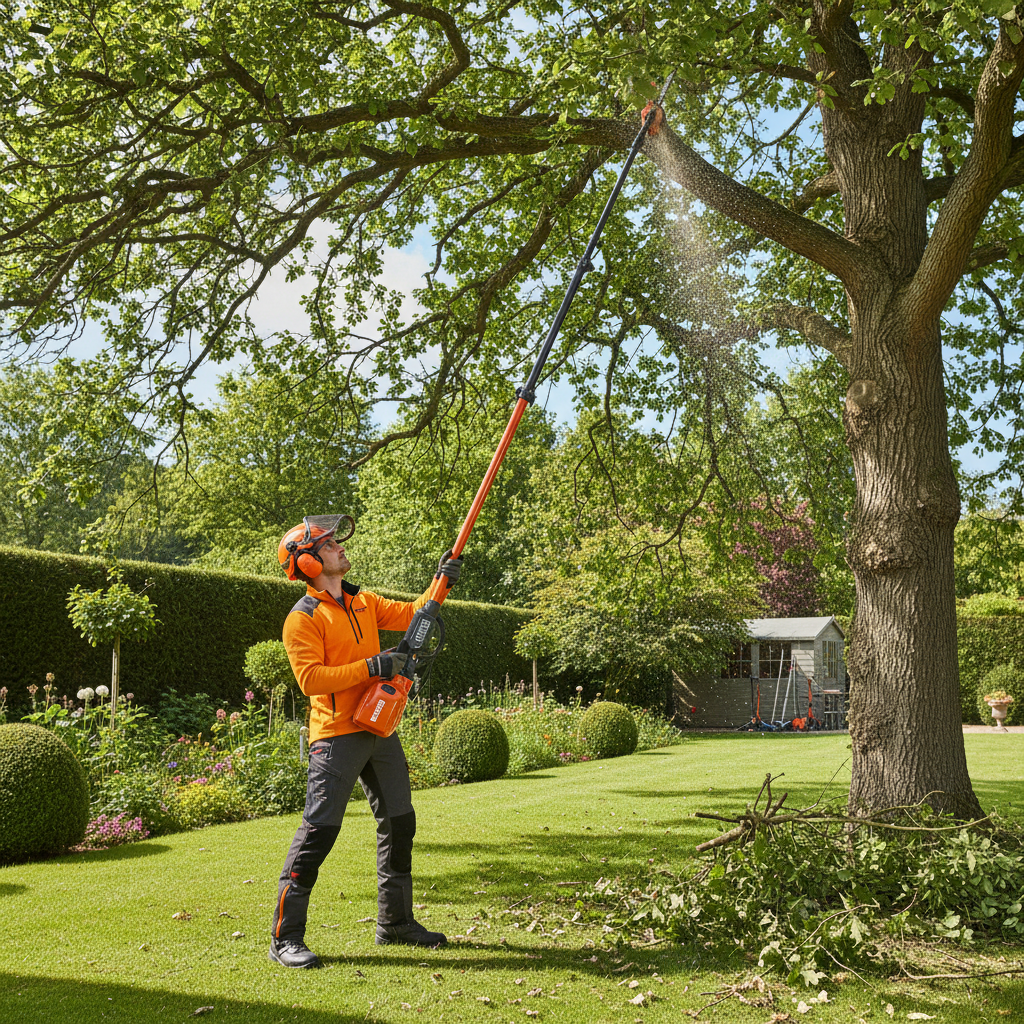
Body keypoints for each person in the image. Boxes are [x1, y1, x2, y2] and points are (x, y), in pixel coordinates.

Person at [268, 514, 463, 969]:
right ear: (308, 563)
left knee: (400, 822)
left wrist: (442, 579)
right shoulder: (302, 618)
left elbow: (415, 613)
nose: (339, 547)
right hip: (336, 737)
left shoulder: (364, 602)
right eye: (328, 544)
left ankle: (395, 923)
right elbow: (311, 680)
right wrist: (373, 667)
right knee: (319, 832)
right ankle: (285, 937)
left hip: (379, 729)